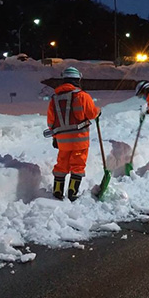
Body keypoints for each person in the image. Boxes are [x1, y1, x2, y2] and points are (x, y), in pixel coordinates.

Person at [47, 66, 100, 201]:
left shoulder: (54, 99)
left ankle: (57, 192)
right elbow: (92, 113)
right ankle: (72, 192)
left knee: (61, 164)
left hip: (62, 141)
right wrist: (98, 111)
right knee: (77, 165)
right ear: (78, 80)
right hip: (79, 140)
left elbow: (51, 122)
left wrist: (55, 138)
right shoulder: (82, 96)